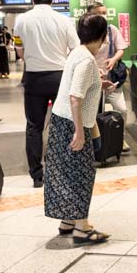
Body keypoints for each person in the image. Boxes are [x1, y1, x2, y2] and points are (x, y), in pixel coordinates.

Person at [44, 13, 110, 245]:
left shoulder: (77, 53)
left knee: (65, 172)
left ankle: (68, 221)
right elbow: (75, 97)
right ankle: (82, 228)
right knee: (81, 174)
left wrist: (99, 84)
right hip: (73, 123)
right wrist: (80, 131)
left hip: (61, 120)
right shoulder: (87, 60)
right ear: (102, 37)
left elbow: (78, 87)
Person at [15, 0, 80, 188]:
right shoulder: (63, 20)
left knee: (34, 126)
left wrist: (34, 61)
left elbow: (19, 51)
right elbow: (75, 48)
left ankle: (37, 176)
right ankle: (61, 169)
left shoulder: (22, 20)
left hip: (34, 78)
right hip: (59, 77)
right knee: (62, 124)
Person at [86, 4, 131, 153]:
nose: (103, 15)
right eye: (99, 13)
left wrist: (113, 59)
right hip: (92, 80)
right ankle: (94, 143)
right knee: (93, 113)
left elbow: (121, 48)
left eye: (104, 13)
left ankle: (120, 138)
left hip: (111, 79)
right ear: (90, 15)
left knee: (122, 109)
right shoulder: (85, 33)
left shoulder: (111, 30)